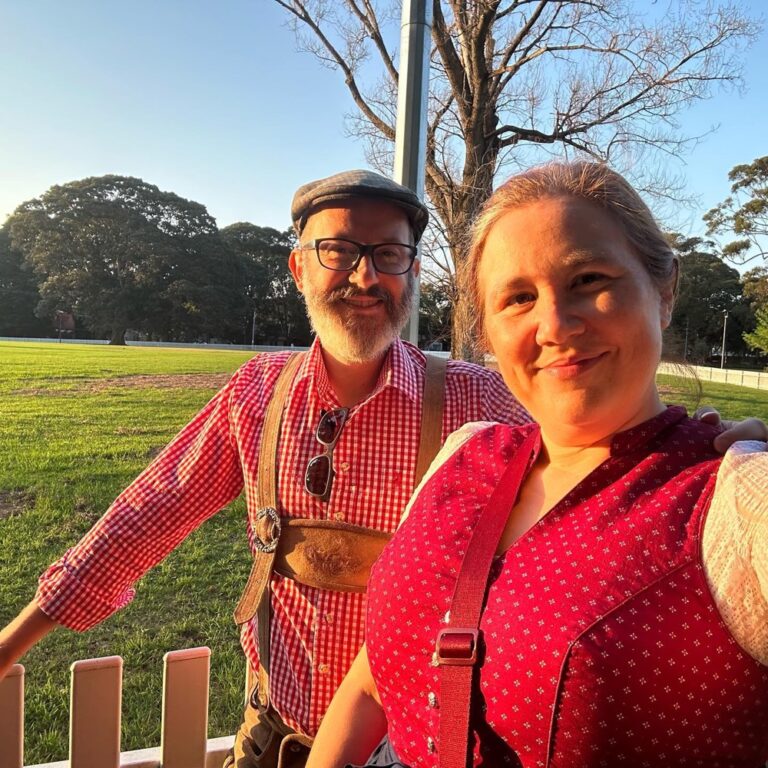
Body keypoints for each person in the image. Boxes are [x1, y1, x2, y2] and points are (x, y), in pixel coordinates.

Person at [0, 169, 763, 768]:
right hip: (278, 736)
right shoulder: (256, 396)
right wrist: (14, 643)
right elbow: (147, 513)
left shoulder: (474, 400)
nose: (365, 277)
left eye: (389, 255)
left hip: (407, 743)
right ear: (298, 268)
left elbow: (591, 417)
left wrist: (715, 441)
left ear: (412, 272)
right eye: (338, 251)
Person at [306, 162, 768, 768]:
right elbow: (374, 676)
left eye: (588, 278)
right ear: (488, 330)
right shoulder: (464, 454)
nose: (555, 324)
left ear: (664, 291)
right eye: (519, 297)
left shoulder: (737, 501)